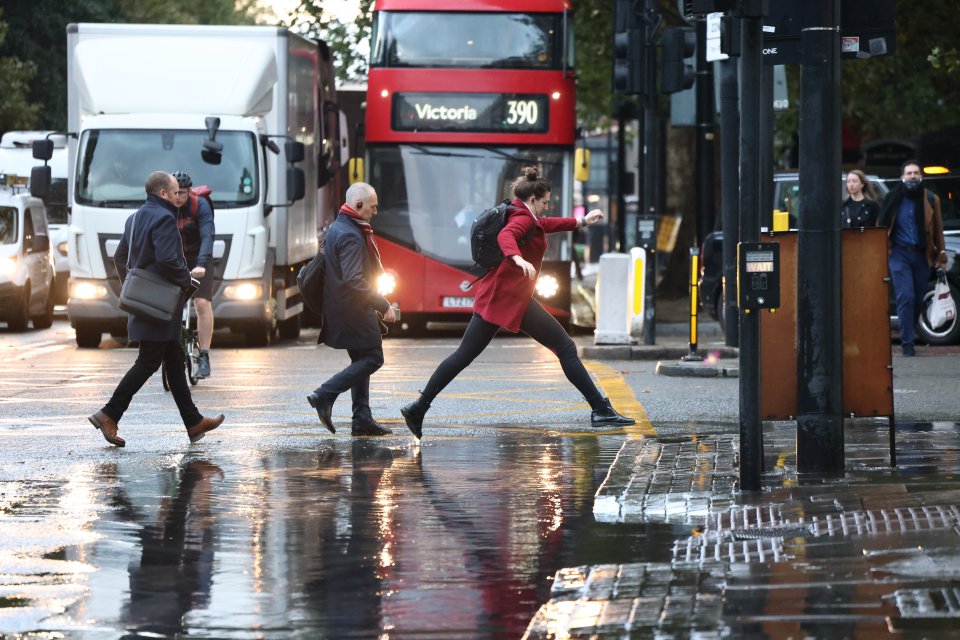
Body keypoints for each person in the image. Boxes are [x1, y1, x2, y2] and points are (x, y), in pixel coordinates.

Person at [400, 166, 634, 439]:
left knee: (463, 356)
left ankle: (418, 407)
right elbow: (506, 236)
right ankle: (601, 409)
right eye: (545, 202)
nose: (547, 207)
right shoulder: (521, 219)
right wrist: (518, 258)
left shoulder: (519, 212)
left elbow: (545, 225)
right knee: (565, 347)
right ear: (533, 199)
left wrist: (581, 222)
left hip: (501, 296)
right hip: (511, 299)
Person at [88, 171, 224, 446]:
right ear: (163, 193)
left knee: (174, 361)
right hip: (161, 305)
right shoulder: (164, 218)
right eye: (176, 193)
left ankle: (193, 422)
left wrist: (133, 287)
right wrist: (187, 280)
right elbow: (166, 260)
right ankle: (108, 414)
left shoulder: (135, 217)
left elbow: (119, 257)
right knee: (148, 362)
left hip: (147, 303)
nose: (180, 198)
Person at [307, 182, 397, 437]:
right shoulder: (350, 234)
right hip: (353, 310)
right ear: (358, 205)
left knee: (361, 359)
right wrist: (383, 304)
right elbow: (354, 280)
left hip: (342, 307)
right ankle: (324, 394)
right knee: (373, 358)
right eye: (372, 207)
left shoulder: (339, 226)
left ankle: (361, 418)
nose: (375, 212)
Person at [878, 160, 949, 356]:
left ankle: (911, 330)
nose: (912, 176)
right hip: (898, 253)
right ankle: (907, 343)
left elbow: (938, 229)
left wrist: (941, 255)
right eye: (908, 173)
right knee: (905, 297)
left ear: (921, 176)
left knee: (918, 298)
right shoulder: (892, 197)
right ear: (902, 177)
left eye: (915, 173)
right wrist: (885, 249)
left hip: (921, 254)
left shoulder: (931, 199)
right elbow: (881, 224)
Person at [172, 171, 215, 378]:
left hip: (200, 258)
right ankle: (173, 347)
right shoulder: (166, 206)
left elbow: (208, 235)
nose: (178, 197)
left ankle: (204, 354)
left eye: (182, 193)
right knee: (169, 303)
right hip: (176, 260)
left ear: (189, 191)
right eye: (174, 193)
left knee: (201, 303)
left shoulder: (201, 205)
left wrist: (201, 263)